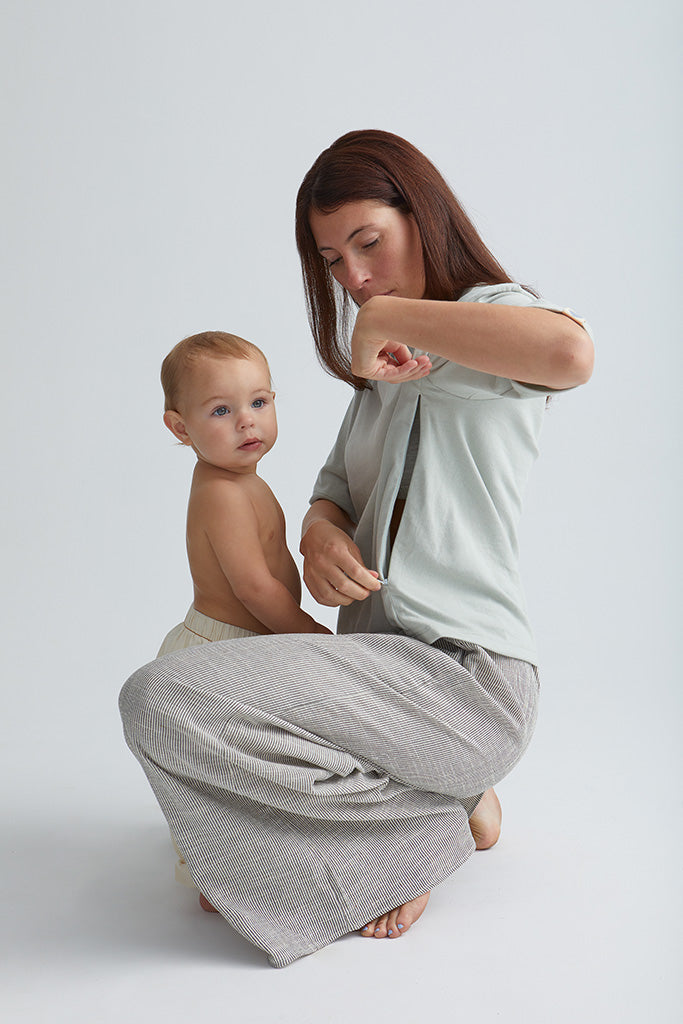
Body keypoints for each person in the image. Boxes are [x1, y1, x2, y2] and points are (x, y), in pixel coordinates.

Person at [120, 130, 594, 968]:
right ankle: (446, 800)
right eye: (334, 262)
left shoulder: (487, 321)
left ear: (423, 214)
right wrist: (320, 533)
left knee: (163, 697)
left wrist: (380, 316)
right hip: (377, 675)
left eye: (367, 243)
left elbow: (569, 354)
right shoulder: (386, 373)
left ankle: (420, 833)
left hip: (464, 677)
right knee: (169, 705)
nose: (354, 278)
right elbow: (332, 486)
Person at [156, 330, 331, 656]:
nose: (246, 420)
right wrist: (311, 632)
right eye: (222, 410)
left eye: (258, 402)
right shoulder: (222, 493)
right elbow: (253, 588)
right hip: (223, 649)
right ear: (181, 428)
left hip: (249, 642)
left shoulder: (237, 480)